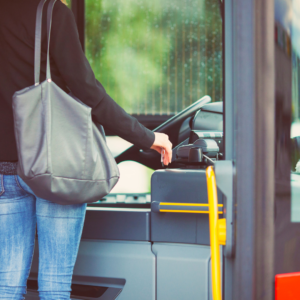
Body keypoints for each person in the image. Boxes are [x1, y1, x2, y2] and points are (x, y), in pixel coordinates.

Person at [0, 0, 172, 299]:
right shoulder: (53, 13)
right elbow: (88, 92)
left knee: (7, 284)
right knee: (54, 284)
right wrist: (146, 137)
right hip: (56, 165)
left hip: (4, 169)